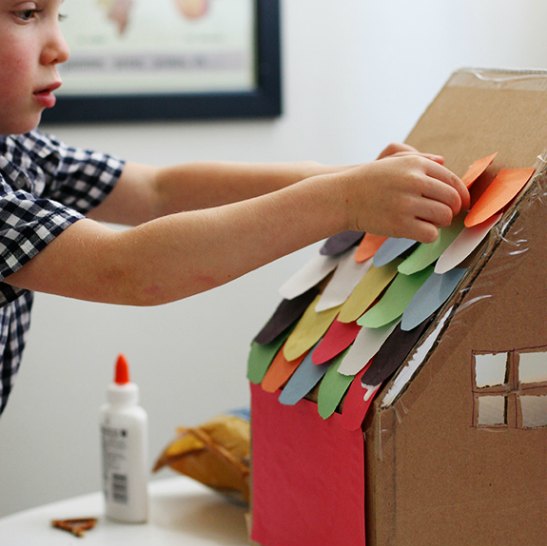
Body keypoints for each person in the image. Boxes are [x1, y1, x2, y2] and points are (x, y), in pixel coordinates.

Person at [0, 0, 469, 414]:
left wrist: (349, 179)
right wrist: (345, 198)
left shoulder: (19, 148)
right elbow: (127, 268)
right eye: (26, 13)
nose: (60, 46)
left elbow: (156, 190)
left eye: (57, 15)